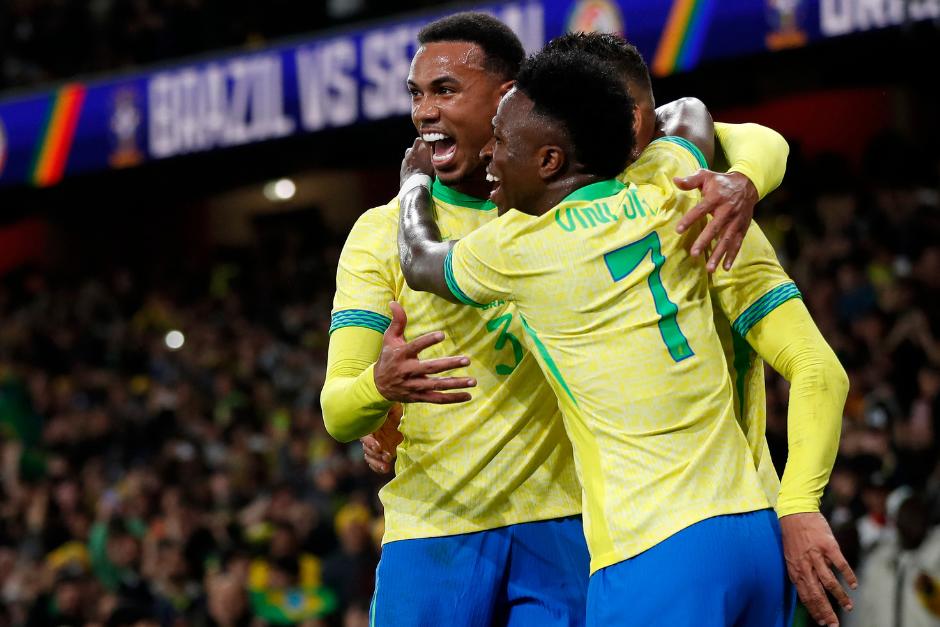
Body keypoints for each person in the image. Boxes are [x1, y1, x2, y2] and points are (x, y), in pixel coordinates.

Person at [323, 11, 797, 626]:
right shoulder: (374, 234)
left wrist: (743, 181)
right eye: (415, 94)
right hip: (436, 527)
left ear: (509, 99)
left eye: (444, 91)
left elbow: (747, 134)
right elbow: (339, 410)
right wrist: (377, 389)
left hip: (567, 524)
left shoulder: (553, 203)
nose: (422, 113)